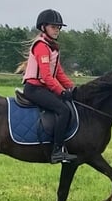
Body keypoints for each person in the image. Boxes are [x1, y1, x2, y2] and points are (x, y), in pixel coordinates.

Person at [21, 9, 77, 164]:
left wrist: (73, 88)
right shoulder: (41, 46)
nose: (57, 29)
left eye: (59, 27)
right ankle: (57, 151)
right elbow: (46, 76)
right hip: (34, 88)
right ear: (43, 27)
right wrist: (61, 92)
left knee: (68, 105)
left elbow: (59, 73)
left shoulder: (53, 47)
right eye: (54, 27)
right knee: (63, 110)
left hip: (43, 88)